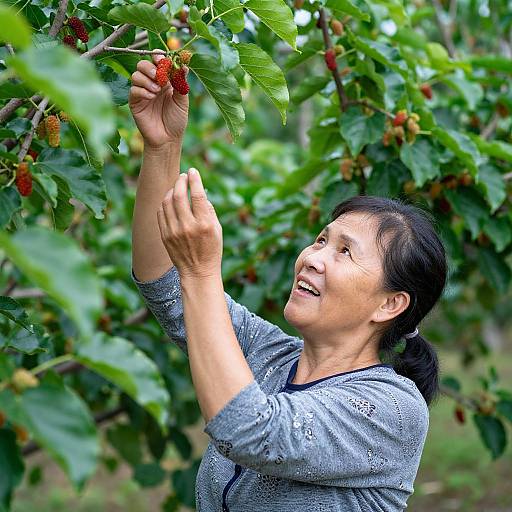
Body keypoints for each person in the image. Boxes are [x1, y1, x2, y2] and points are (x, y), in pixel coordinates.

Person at [130, 54, 448, 511]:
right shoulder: (271, 357)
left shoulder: (393, 410)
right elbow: (163, 284)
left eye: (344, 252)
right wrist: (162, 148)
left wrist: (202, 271)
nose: (313, 258)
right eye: (321, 240)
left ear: (389, 304)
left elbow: (252, 431)